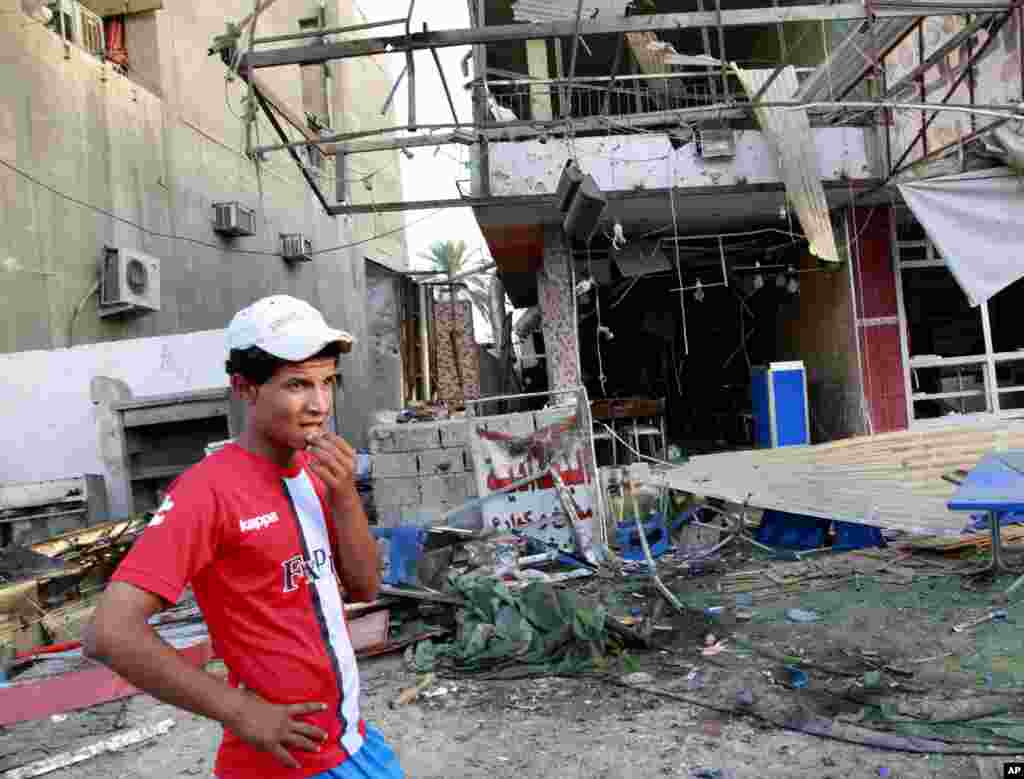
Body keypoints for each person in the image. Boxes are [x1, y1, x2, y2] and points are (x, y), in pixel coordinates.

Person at [85, 295, 403, 779]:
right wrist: (241, 711)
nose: (319, 405)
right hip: (285, 765)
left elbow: (363, 588)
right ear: (244, 387)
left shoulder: (316, 474)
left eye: (327, 383)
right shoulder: (207, 491)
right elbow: (109, 633)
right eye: (297, 385)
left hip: (348, 739)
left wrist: (344, 496)